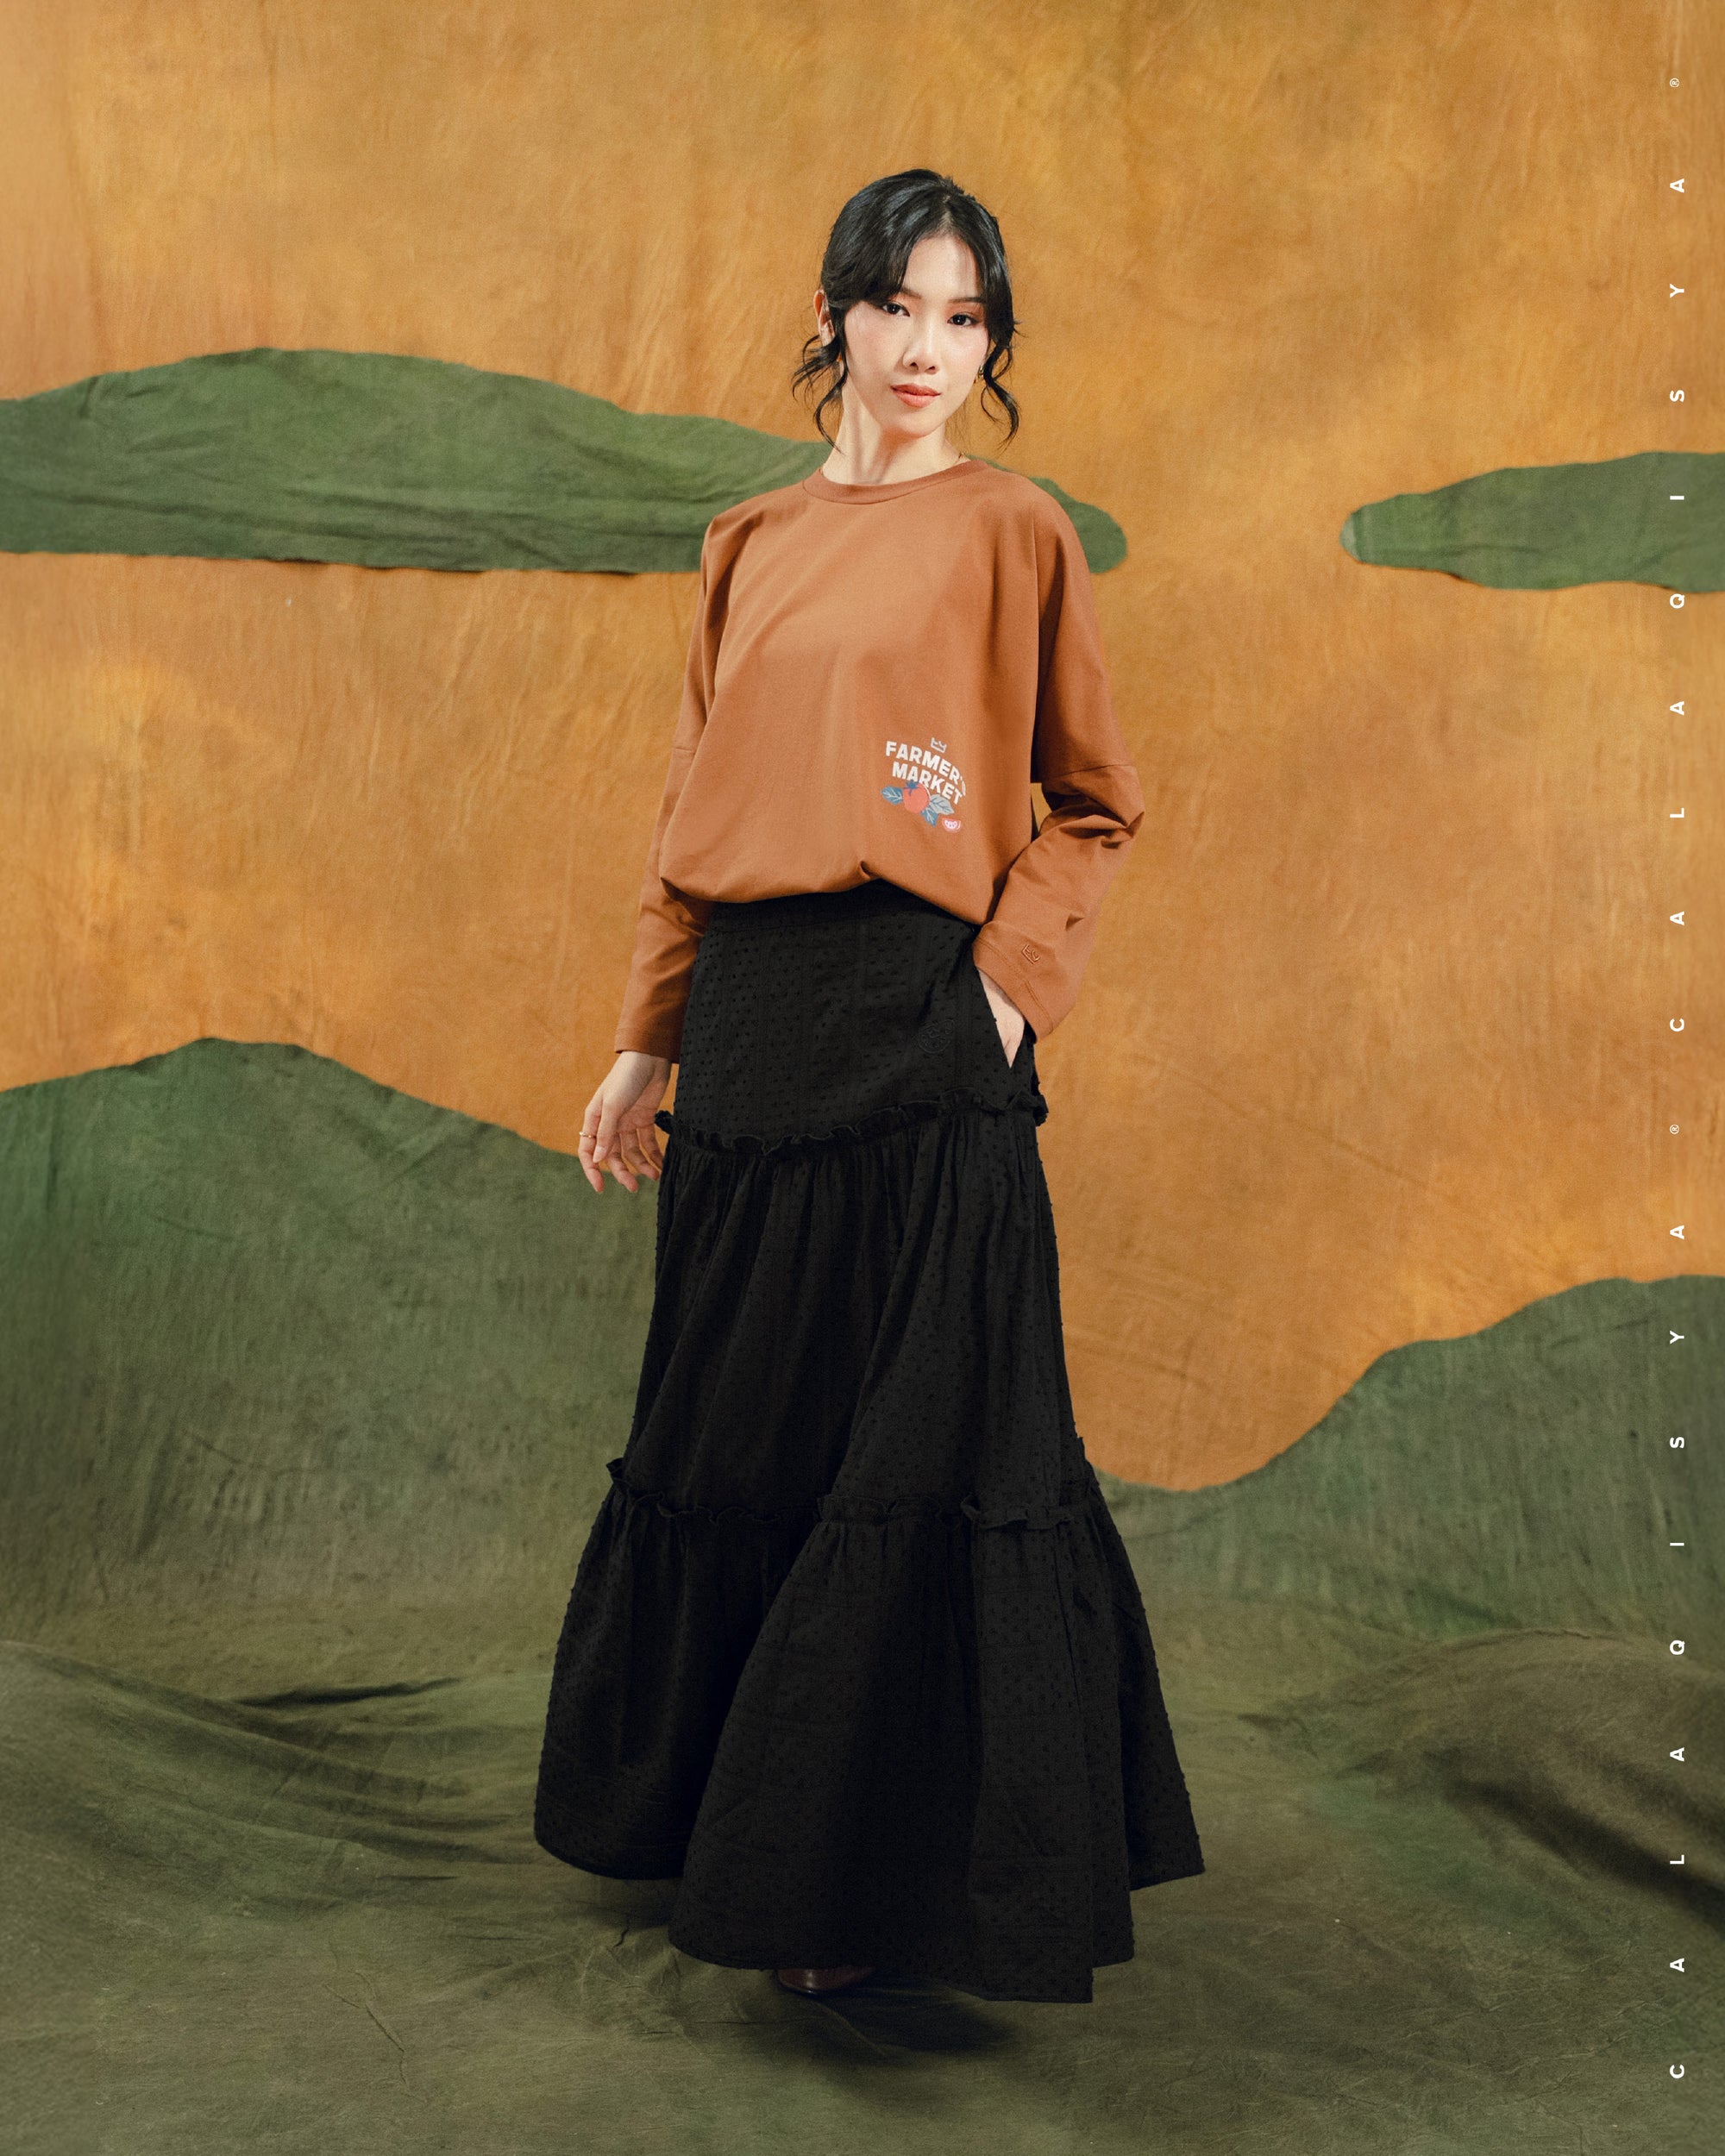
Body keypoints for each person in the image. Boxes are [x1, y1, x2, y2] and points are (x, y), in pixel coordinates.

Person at [533, 168, 1203, 2006]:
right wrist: (646, 1037)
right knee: (752, 1440)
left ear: (991, 342)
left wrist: (1001, 1000)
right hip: (753, 1035)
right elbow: (691, 815)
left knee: (920, 1447)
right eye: (898, 306)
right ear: (834, 316)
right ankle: (746, 1846)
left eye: (965, 316)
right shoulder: (745, 538)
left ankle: (882, 1889)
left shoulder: (1015, 532)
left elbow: (1094, 801)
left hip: (924, 1024)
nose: (928, 347)